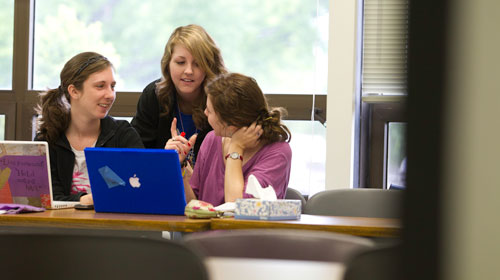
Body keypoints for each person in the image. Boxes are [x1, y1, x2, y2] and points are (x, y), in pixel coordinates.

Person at [35, 52, 144, 204]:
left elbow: (139, 189)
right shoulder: (47, 139)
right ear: (74, 91)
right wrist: (85, 200)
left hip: (112, 226)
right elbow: (48, 198)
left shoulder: (123, 134)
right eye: (100, 86)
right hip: (60, 227)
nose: (110, 95)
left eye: (112, 86)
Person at [184, 73, 292, 206]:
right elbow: (193, 204)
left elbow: (237, 206)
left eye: (210, 111)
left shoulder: (277, 152)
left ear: (231, 124)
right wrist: (180, 167)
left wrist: (236, 147)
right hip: (207, 227)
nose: (205, 112)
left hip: (244, 227)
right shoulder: (211, 139)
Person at [131, 24, 227, 167]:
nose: (188, 71)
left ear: (209, 67)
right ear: (167, 64)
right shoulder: (153, 95)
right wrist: (165, 157)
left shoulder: (223, 98)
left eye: (198, 64)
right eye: (180, 62)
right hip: (163, 182)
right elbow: (136, 155)